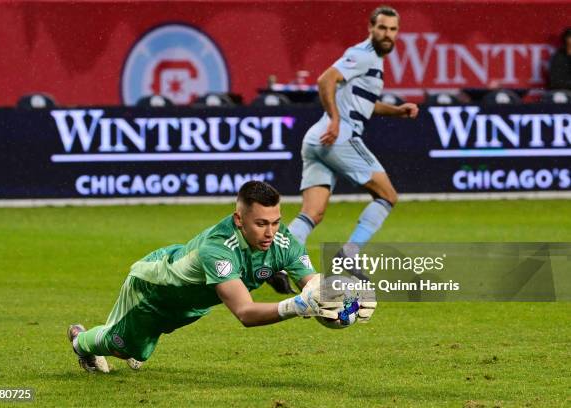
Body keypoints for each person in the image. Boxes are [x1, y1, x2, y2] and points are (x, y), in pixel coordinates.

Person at [67, 181, 376, 373]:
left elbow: (310, 283)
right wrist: (298, 305)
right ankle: (81, 340)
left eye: (276, 222)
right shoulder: (218, 249)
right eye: (260, 223)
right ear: (238, 219)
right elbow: (245, 313)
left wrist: (344, 297)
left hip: (191, 303)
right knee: (125, 349)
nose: (270, 232)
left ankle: (143, 336)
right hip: (153, 290)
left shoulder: (283, 242)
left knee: (144, 342)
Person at [285, 6, 419, 277]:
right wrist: (335, 119)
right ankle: (348, 256)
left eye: (392, 30)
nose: (387, 34)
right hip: (339, 136)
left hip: (317, 139)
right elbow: (326, 80)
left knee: (312, 213)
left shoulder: (374, 61)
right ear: (370, 28)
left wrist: (396, 111)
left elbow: (364, 103)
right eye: (382, 28)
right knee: (387, 196)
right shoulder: (363, 54)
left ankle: (278, 262)